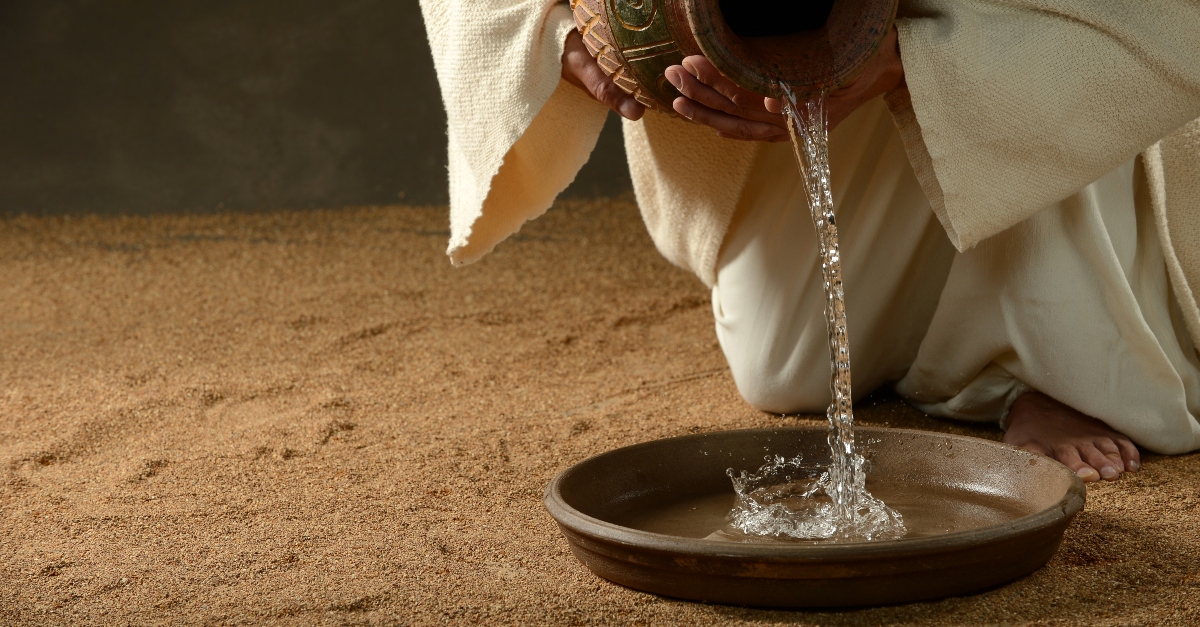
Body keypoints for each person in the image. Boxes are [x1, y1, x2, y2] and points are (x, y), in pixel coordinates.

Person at [421, 1, 1200, 482]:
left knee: (1031, 44)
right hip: (751, 51)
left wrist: (911, 62)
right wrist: (556, 29)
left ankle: (1058, 361)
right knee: (789, 366)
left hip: (994, 18)